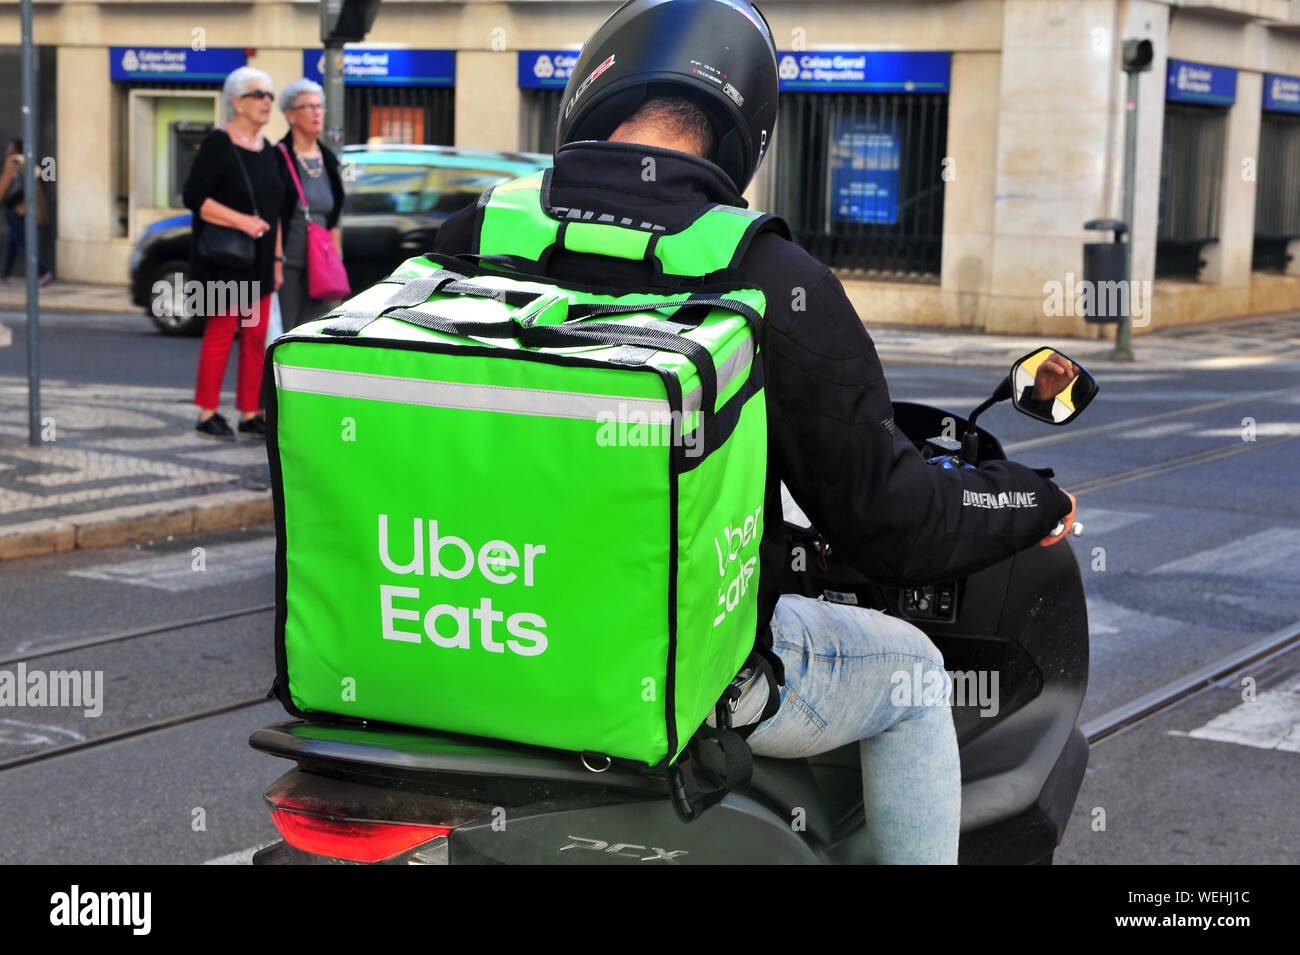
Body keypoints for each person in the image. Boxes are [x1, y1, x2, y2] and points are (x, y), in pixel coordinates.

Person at [433, 0, 1077, 864]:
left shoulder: (474, 236)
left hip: (463, 634)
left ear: (590, 92)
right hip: (685, 683)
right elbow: (895, 523)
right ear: (748, 138)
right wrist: (1035, 498)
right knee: (918, 673)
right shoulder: (771, 277)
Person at [184, 67, 286, 439]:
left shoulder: (270, 151)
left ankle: (249, 412)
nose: (267, 102)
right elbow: (194, 198)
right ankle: (207, 412)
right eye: (259, 95)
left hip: (259, 259)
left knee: (257, 335)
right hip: (225, 258)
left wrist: (276, 259)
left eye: (270, 95)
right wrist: (242, 221)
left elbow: (275, 213)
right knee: (222, 332)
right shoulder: (218, 144)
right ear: (237, 102)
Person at [276, 78, 346, 331]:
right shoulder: (279, 156)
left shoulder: (328, 158)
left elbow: (335, 209)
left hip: (322, 265)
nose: (317, 112)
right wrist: (276, 261)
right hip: (288, 266)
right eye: (309, 107)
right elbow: (273, 212)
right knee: (285, 332)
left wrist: (335, 254)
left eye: (320, 106)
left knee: (313, 333)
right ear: (291, 115)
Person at [0, 139, 53, 287]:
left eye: (10, 147)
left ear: (15, 149)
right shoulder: (28, 162)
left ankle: (43, 272)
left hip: (15, 209)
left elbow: (4, 185)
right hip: (26, 209)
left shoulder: (14, 162)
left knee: (23, 243)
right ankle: (4, 275)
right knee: (12, 241)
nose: (7, 150)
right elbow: (45, 178)